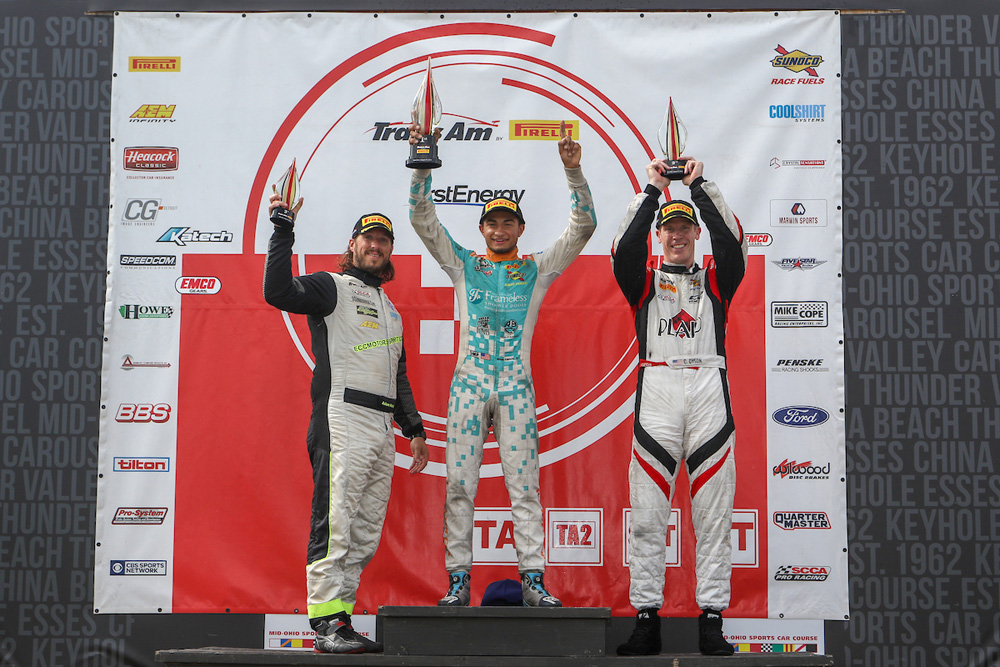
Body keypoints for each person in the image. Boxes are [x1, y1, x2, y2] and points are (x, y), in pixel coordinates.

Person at [407, 122, 596, 607]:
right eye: (491, 222)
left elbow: (584, 227)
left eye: (507, 222)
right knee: (459, 486)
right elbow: (422, 219)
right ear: (482, 229)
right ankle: (457, 582)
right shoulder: (464, 264)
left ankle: (533, 581)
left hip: (515, 389)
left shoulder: (536, 268)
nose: (499, 229)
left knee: (524, 488)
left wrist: (573, 172)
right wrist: (421, 166)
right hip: (467, 388)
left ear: (520, 229)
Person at [263, 193, 428, 654]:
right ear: (352, 244)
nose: (375, 245)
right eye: (368, 238)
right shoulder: (331, 286)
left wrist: (414, 429)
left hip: (382, 425)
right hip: (343, 416)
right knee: (335, 525)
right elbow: (276, 291)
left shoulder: (391, 309)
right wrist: (282, 230)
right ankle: (323, 626)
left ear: (390, 250)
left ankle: (342, 620)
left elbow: (398, 374)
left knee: (364, 532)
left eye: (383, 240)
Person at [611, 156, 745, 656]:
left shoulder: (717, 280)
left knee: (714, 518)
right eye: (670, 229)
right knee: (648, 518)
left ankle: (712, 619)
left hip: (709, 392)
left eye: (685, 227)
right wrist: (652, 191)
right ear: (660, 235)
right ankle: (647, 618)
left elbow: (732, 241)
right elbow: (624, 248)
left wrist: (697, 186)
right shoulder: (643, 281)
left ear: (696, 233)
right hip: (658, 394)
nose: (678, 235)